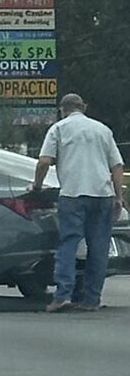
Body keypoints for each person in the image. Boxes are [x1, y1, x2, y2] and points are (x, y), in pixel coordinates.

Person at [32, 94, 124, 313]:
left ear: (62, 109)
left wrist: (36, 186)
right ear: (84, 107)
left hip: (73, 194)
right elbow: (117, 166)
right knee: (99, 247)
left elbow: (44, 161)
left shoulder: (59, 129)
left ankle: (63, 294)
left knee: (69, 243)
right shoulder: (102, 130)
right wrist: (118, 197)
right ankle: (92, 299)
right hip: (102, 195)